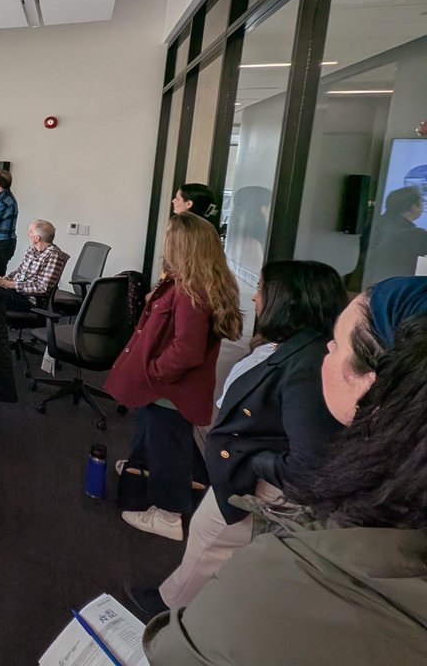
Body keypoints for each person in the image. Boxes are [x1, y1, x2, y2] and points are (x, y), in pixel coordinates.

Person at [143, 277, 427, 665]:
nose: (326, 349)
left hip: (244, 537)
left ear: (374, 384)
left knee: (207, 553)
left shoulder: (290, 578)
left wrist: (251, 460)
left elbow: (173, 654)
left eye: (338, 344)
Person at [128, 260, 347, 617]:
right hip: (242, 467)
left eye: (263, 289)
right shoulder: (293, 347)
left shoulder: (307, 365)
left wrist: (253, 462)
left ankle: (171, 611)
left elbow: (310, 460)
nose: (256, 296)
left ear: (287, 299)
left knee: (211, 540)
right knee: (212, 539)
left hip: (256, 479)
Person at [105, 213, 243, 541]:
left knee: (167, 445)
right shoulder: (192, 284)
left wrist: (154, 372)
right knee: (152, 433)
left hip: (170, 388)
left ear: (182, 245)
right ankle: (142, 467)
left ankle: (168, 514)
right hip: (167, 386)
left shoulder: (191, 291)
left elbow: (188, 350)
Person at [0, 220, 69, 313]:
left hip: (28, 300)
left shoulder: (53, 255)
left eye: (30, 231)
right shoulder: (32, 249)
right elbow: (20, 271)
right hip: (15, 291)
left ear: (37, 238)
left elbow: (42, 288)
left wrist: (9, 284)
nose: (28, 234)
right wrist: (5, 279)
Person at [365, 186, 427, 286]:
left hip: (363, 286)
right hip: (394, 291)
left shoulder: (372, 225)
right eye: (422, 203)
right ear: (413, 207)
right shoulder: (415, 235)